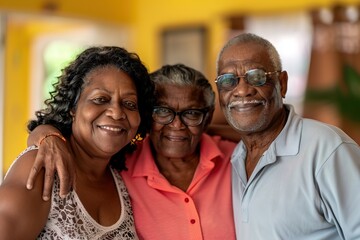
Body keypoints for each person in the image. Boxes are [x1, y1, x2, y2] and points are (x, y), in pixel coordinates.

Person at [25, 64, 238, 239]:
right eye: (162, 112)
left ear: (207, 118)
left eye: (191, 114)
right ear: (146, 115)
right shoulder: (120, 164)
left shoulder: (236, 159)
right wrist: (46, 134)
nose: (176, 125)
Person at [215, 32, 360, 239]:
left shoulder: (327, 149)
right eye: (228, 80)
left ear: (281, 83)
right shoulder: (235, 157)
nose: (242, 91)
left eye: (256, 76)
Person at [0, 46, 155, 239]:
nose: (116, 112)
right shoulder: (41, 167)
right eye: (100, 99)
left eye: (129, 104)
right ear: (72, 107)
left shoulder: (124, 177)